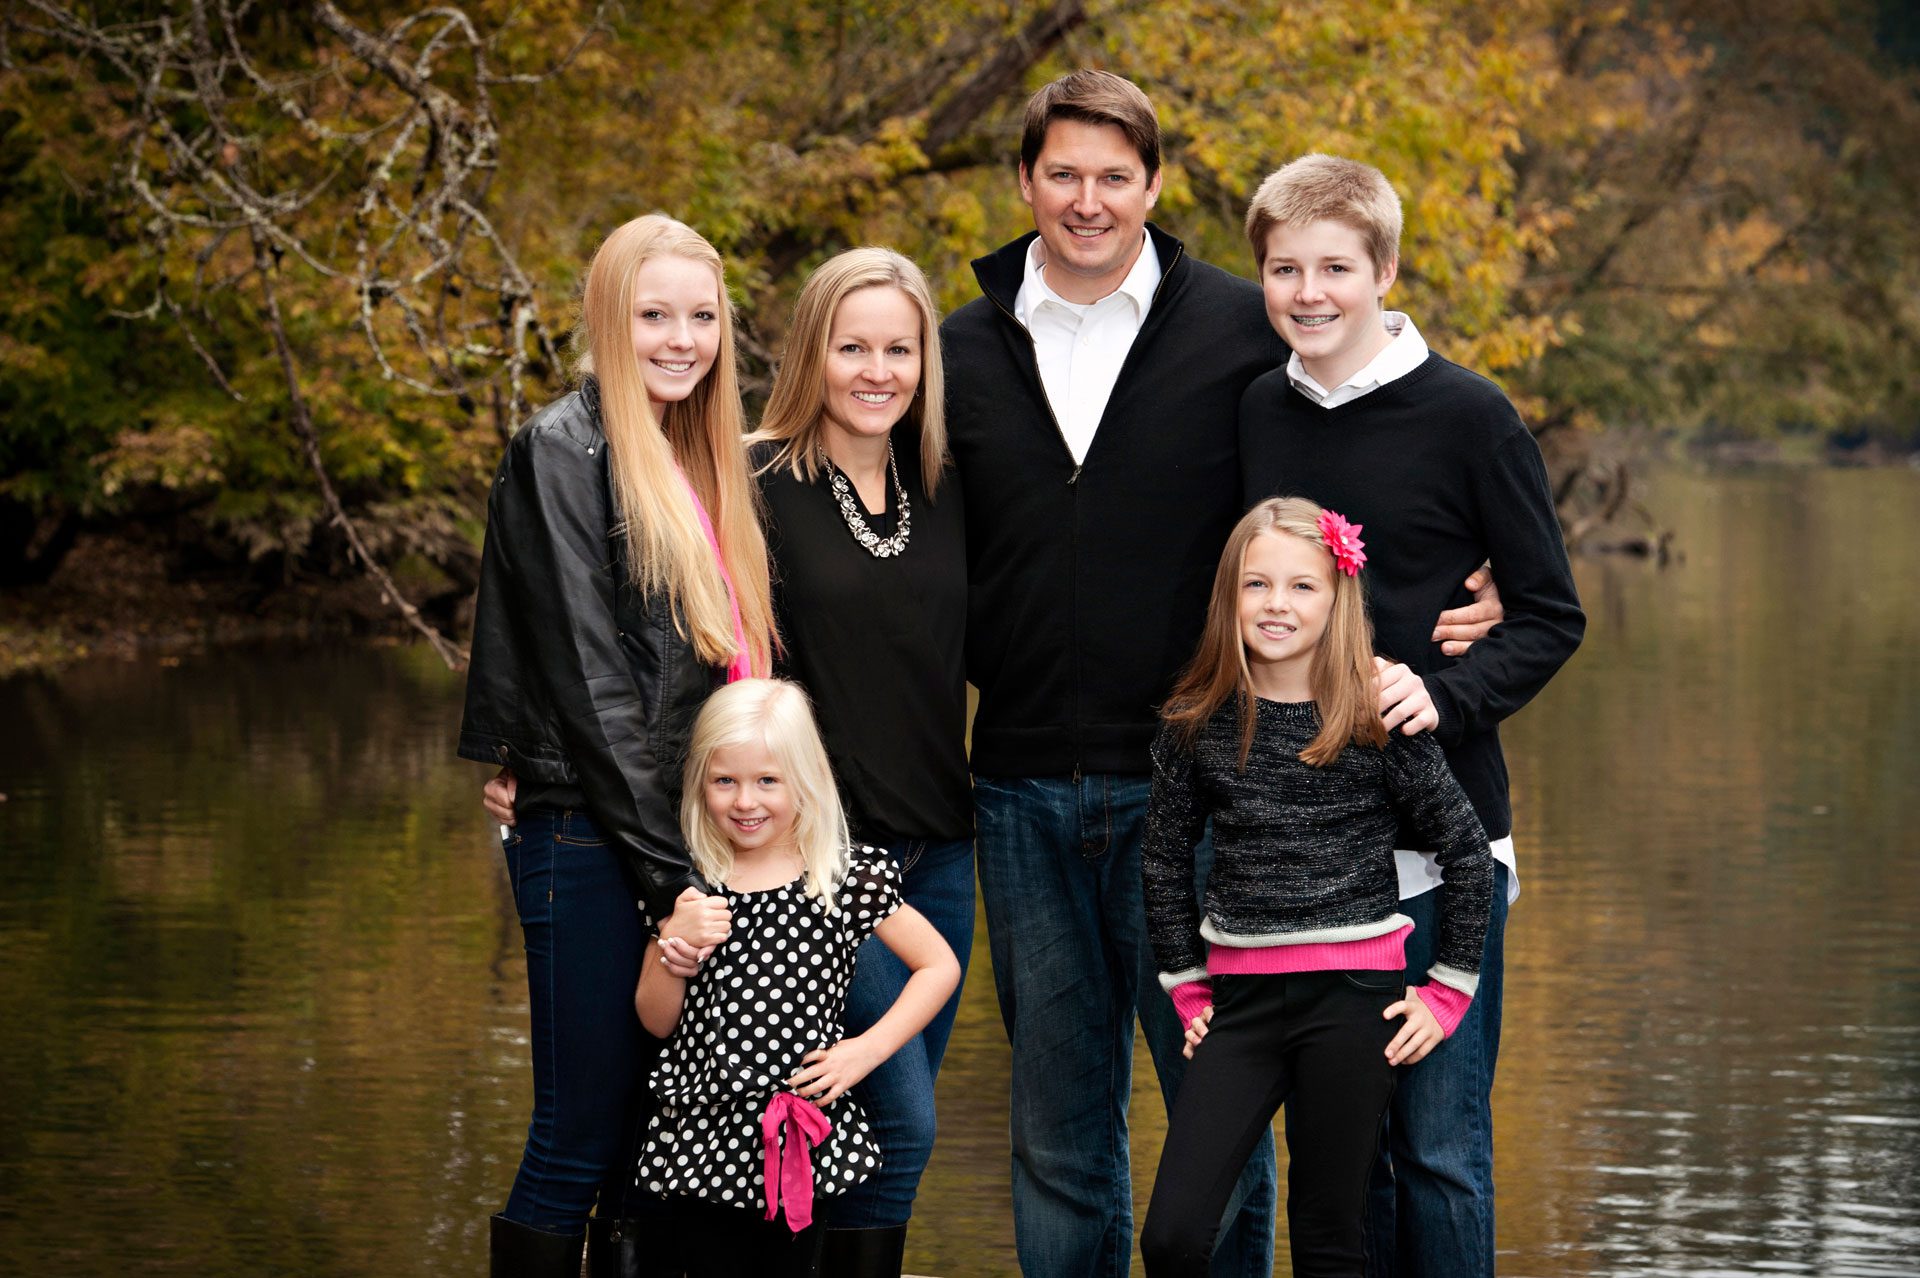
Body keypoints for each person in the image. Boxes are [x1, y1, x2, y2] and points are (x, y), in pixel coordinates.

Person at [939, 69, 1504, 1277]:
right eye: (1062, 175)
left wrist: (1479, 569)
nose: (1087, 201)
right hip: (1022, 782)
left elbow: (1381, 417)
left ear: (1154, 185)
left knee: (1222, 1121)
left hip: (1202, 782)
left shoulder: (1241, 322)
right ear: (1026, 183)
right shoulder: (960, 350)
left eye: (1114, 176)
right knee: (1054, 1128)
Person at [1235, 154, 1586, 1277]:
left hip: (1443, 850)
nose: (1310, 292)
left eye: (1337, 266)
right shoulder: (1257, 409)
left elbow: (1547, 615)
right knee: (1349, 1159)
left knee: (1438, 1148)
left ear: (1384, 270)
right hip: (1301, 853)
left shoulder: (1473, 416)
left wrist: (1442, 693)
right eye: (1285, 269)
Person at [459, 213, 777, 1276]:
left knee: (652, 1147)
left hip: (675, 843)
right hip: (598, 848)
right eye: (653, 316)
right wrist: (674, 882)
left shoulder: (697, 459)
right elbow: (592, 685)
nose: (682, 339)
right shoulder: (560, 451)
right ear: (607, 318)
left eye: (700, 316)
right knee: (579, 1136)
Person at [1136, 497, 1494, 1277]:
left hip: (1353, 1002)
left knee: (1331, 1236)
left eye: (1302, 586)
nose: (1276, 605)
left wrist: (1447, 993)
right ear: (1228, 595)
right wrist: (1190, 992)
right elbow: (1163, 860)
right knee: (1171, 1235)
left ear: (1338, 600)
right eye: (1256, 584)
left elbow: (1467, 851)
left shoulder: (1375, 716)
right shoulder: (1198, 721)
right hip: (1240, 1010)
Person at [747, 248, 972, 1273]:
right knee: (903, 1124)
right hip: (824, 863)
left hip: (943, 850)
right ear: (811, 353)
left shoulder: (947, 486)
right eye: (852, 347)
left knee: (871, 1140)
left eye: (899, 348)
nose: (876, 370)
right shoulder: (756, 481)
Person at [633, 678, 962, 1277]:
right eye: (724, 781)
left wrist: (865, 1052)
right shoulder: (688, 880)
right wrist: (669, 943)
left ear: (803, 780)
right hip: (704, 1138)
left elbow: (938, 965)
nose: (744, 801)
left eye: (767, 781)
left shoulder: (840, 877)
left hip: (796, 1133)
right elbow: (656, 1020)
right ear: (700, 782)